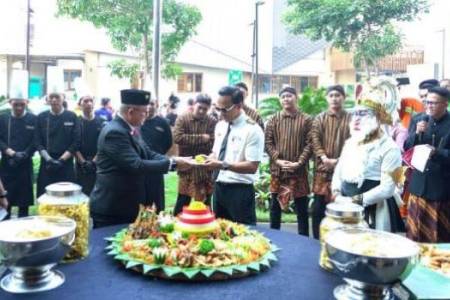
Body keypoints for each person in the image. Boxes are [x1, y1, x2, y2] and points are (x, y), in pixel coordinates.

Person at [90, 89, 192, 228]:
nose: (147, 115)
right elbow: (136, 165)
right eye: (144, 112)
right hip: (113, 207)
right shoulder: (115, 132)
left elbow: (148, 153)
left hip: (127, 205)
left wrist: (175, 160)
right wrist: (172, 164)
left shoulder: (131, 128)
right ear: (131, 112)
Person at [332, 88, 404, 232]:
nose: (356, 119)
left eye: (363, 114)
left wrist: (355, 201)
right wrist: (336, 191)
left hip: (375, 211)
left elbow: (387, 189)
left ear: (377, 119)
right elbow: (339, 170)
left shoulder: (390, 148)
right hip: (346, 206)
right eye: (355, 114)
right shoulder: (351, 142)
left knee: (371, 250)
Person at [200, 86, 264, 225]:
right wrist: (209, 159)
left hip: (239, 190)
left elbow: (252, 166)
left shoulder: (252, 130)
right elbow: (217, 152)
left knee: (245, 235)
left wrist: (222, 165)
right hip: (219, 187)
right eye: (218, 109)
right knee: (220, 234)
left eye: (225, 109)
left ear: (239, 106)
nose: (220, 113)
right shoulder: (221, 126)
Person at [404, 87, 450, 243]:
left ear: (445, 104)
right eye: (427, 102)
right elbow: (407, 147)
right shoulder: (418, 119)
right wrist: (416, 133)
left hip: (441, 191)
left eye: (434, 103)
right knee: (414, 234)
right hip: (418, 187)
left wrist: (437, 152)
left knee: (438, 237)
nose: (429, 105)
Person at [265, 86, 312, 236]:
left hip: (299, 170)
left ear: (296, 98)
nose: (286, 99)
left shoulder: (306, 119)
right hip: (278, 170)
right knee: (275, 206)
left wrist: (299, 162)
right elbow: (268, 142)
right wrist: (277, 160)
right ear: (280, 100)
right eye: (283, 96)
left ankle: (304, 240)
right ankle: (274, 238)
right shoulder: (273, 119)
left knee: (301, 207)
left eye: (289, 96)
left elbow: (310, 143)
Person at [309, 85, 351, 239]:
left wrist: (340, 160)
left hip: (344, 170)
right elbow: (314, 139)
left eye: (338, 95)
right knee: (318, 209)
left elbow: (355, 141)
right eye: (331, 95)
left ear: (343, 98)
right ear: (327, 98)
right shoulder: (320, 118)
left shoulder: (351, 119)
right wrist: (324, 158)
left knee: (342, 207)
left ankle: (339, 241)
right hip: (323, 170)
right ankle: (315, 241)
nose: (334, 98)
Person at [173, 94, 217, 215]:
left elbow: (214, 141)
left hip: (204, 167)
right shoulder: (183, 118)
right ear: (194, 105)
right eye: (200, 107)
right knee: (183, 200)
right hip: (186, 166)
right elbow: (177, 137)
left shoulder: (212, 121)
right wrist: (201, 139)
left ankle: (207, 227)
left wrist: (192, 141)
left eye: (205, 109)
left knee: (205, 202)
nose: (202, 111)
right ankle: (177, 226)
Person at [0, 86, 36, 218]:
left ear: (27, 103)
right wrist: (12, 153)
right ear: (10, 103)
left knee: (24, 204)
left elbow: (36, 140)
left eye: (22, 104)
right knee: (5, 204)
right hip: (7, 165)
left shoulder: (33, 119)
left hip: (25, 166)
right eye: (16, 104)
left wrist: (26, 153)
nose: (19, 108)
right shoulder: (3, 119)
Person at [35, 92, 80, 197]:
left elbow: (76, 141)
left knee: (67, 198)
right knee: (45, 197)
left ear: (63, 98)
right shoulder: (41, 117)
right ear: (48, 100)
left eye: (57, 97)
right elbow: (37, 141)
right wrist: (49, 160)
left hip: (66, 163)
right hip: (47, 163)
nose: (54, 100)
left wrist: (61, 160)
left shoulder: (72, 116)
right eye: (51, 97)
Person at [141, 99, 173, 212]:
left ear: (157, 105)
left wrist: (159, 156)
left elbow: (168, 142)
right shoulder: (138, 122)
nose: (149, 107)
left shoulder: (162, 122)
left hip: (156, 167)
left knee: (157, 200)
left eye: (152, 104)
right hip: (139, 166)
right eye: (146, 104)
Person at [75, 95, 105, 195]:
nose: (89, 103)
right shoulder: (77, 122)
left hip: (98, 163)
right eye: (85, 101)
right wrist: (83, 162)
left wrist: (93, 162)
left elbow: (103, 145)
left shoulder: (101, 122)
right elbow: (74, 144)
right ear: (80, 105)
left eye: (91, 101)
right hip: (80, 164)